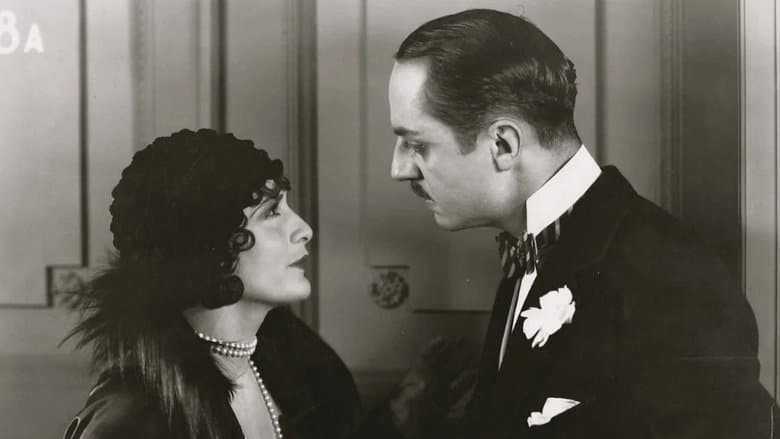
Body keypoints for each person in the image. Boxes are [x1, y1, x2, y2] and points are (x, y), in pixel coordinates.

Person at [388, 9, 778, 438]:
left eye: (416, 144)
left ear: (503, 144)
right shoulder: (529, 250)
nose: (399, 169)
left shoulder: (673, 280)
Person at [61, 129, 449, 439]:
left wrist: (399, 416)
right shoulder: (132, 421)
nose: (304, 229)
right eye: (272, 212)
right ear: (208, 245)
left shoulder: (290, 361)